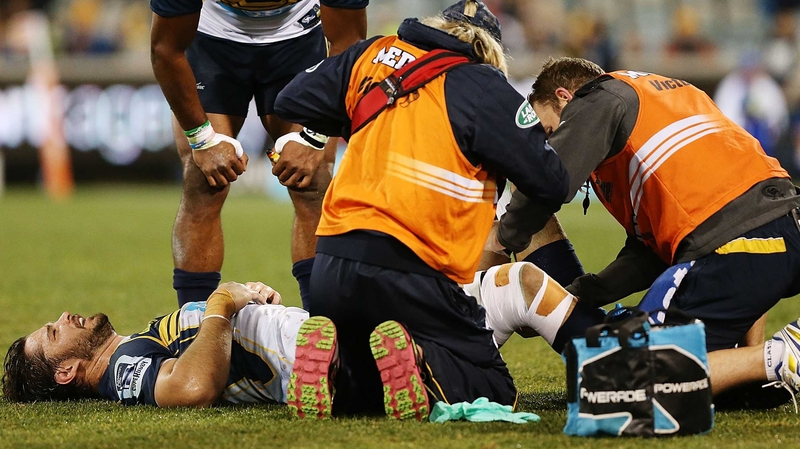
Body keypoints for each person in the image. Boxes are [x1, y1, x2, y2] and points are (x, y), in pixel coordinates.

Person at [273, 0, 605, 421]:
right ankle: (419, 356)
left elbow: (292, 99)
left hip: (332, 266)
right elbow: (553, 182)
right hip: (415, 272)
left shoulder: (370, 53)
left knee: (369, 378)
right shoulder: (483, 85)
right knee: (494, 387)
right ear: (489, 51)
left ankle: (340, 369)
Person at [485, 56, 800, 407]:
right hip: (779, 228)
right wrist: (581, 294)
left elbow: (546, 184)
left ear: (565, 97)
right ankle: (764, 360)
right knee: (723, 389)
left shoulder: (598, 97)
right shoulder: (663, 97)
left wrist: (501, 239)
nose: (549, 148)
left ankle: (788, 353)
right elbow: (650, 253)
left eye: (548, 133)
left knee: (624, 380)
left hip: (730, 242)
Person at [149, 0, 368, 309]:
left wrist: (314, 136)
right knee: (203, 182)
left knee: (313, 181)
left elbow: (349, 43)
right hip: (212, 34)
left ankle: (324, 331)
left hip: (298, 34)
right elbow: (165, 50)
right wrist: (201, 139)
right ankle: (195, 333)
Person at [1, 281, 306, 406]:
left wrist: (253, 301)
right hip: (290, 353)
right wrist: (222, 303)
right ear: (65, 372)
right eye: (55, 332)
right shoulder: (121, 370)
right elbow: (192, 387)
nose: (64, 316)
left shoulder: (128, 350)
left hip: (286, 339)